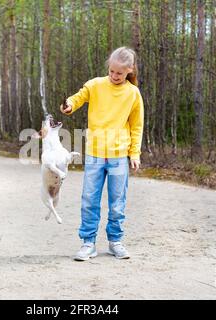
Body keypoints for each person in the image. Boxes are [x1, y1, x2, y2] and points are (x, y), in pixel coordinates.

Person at [60, 47, 144, 261]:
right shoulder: (95, 85)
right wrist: (69, 105)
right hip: (95, 154)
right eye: (112, 71)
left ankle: (115, 241)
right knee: (89, 199)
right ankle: (88, 243)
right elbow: (78, 98)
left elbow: (137, 126)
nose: (115, 76)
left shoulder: (133, 93)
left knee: (117, 201)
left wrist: (134, 153)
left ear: (129, 71)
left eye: (120, 73)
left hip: (118, 156)